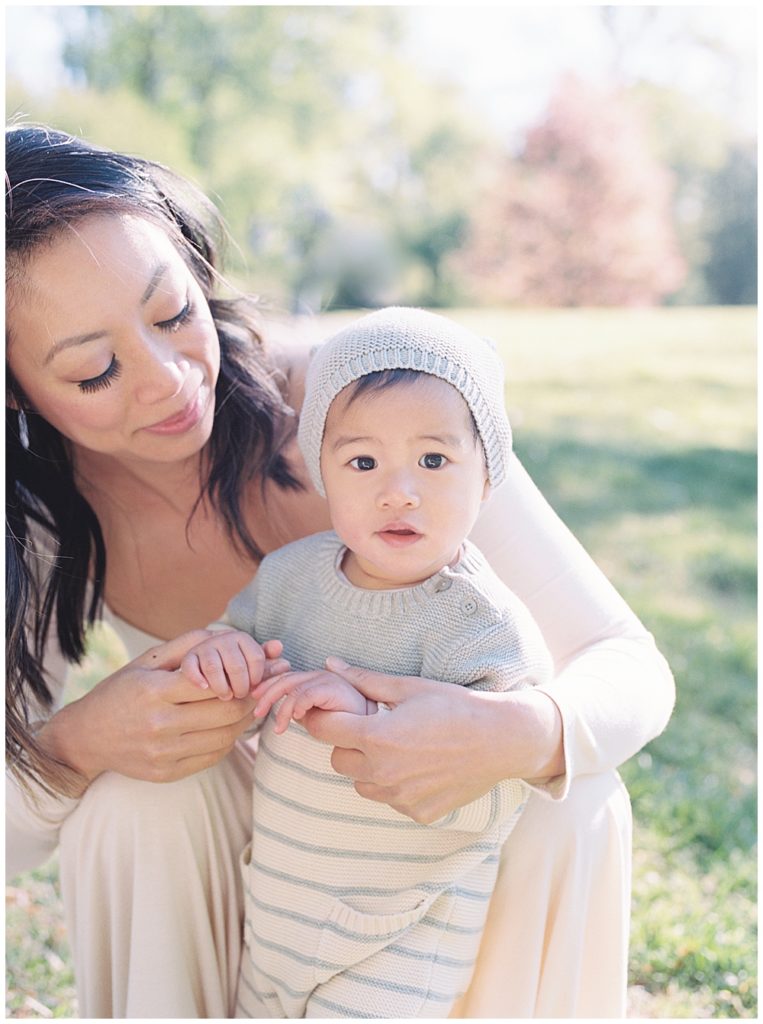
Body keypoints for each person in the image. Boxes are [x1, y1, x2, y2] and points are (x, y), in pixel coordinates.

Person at [5, 122, 675, 1019]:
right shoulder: (41, 519)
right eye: (95, 371)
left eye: (173, 315)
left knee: (573, 790)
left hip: (444, 846)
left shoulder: (376, 401)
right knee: (131, 804)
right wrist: (78, 742)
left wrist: (515, 731)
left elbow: (624, 661)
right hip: (271, 864)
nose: (167, 380)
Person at [181, 306, 555, 1017]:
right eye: (362, 461)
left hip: (406, 924)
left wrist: (369, 719)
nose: (398, 490)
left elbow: (509, 769)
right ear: (322, 470)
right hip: (283, 907)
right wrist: (222, 651)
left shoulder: (476, 622)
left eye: (433, 460)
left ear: (485, 477)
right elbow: (239, 649)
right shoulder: (291, 576)